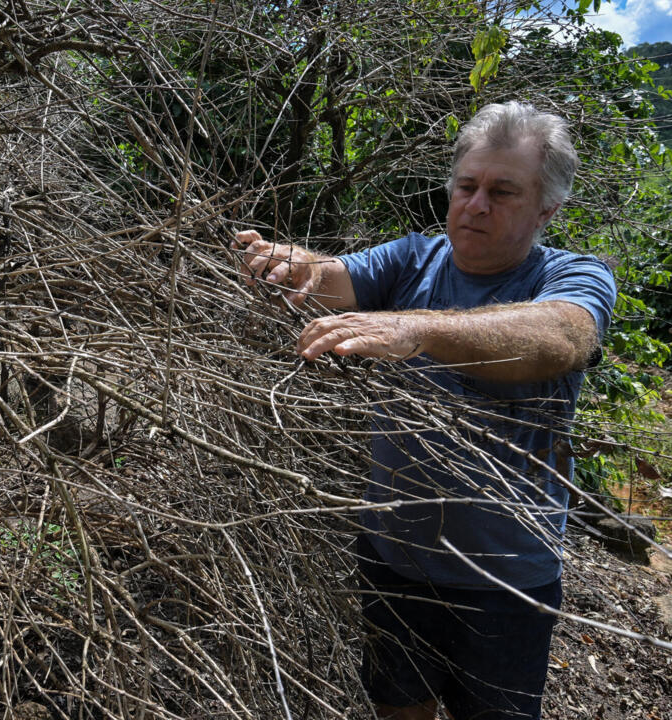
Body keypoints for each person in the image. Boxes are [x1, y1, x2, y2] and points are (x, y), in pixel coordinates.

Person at [233, 101, 616, 720]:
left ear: (547, 208)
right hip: (394, 556)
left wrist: (417, 328)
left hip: (506, 578)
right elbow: (336, 276)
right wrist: (284, 263)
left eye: (503, 191)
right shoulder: (415, 256)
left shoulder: (572, 276)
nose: (477, 205)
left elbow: (562, 337)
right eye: (467, 186)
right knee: (398, 707)